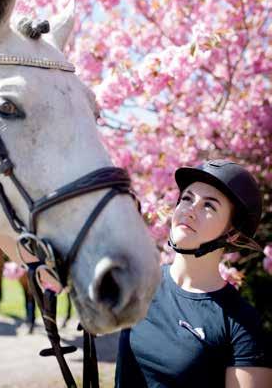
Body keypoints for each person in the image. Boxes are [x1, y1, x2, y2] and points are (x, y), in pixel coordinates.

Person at [115, 159, 272, 388]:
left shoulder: (241, 322)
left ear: (233, 234)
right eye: (187, 198)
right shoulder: (141, 283)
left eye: (209, 206)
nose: (190, 210)